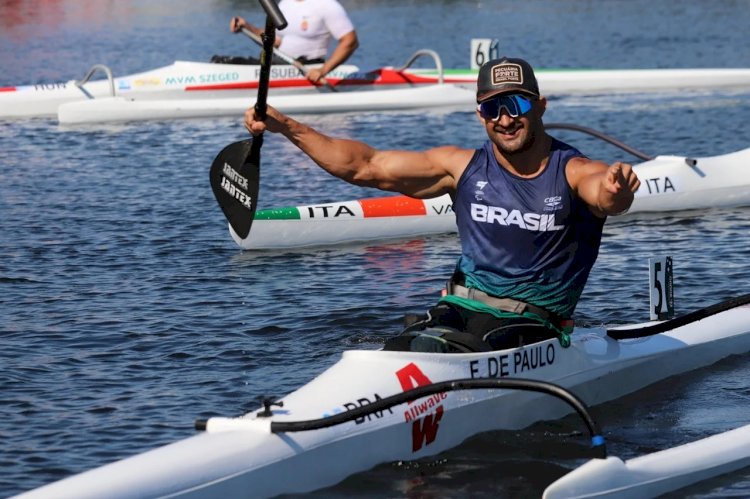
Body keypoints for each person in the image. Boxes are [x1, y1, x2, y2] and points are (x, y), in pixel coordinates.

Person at [243, 56, 641, 352]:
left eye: (516, 105)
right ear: (480, 115)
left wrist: (615, 191)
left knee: (440, 349)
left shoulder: (572, 170)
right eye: (492, 108)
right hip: (457, 310)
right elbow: (364, 166)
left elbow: (603, 193)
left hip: (533, 329)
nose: (505, 119)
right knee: (401, 350)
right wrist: (286, 127)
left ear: (539, 106)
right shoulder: (459, 167)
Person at [213, 0, 359, 85]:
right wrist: (247, 27)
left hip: (305, 68)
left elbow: (350, 41)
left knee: (222, 63)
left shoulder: (327, 5)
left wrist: (323, 71)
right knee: (219, 61)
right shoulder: (285, 3)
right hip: (277, 64)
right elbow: (274, 41)